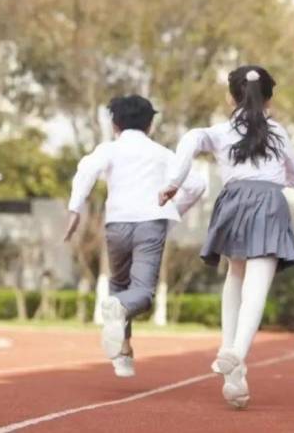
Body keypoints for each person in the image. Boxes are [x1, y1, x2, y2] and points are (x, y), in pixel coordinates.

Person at [159, 65, 294, 409]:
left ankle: (232, 369)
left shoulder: (222, 130)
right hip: (268, 203)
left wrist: (174, 181)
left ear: (230, 97)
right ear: (269, 99)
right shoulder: (278, 132)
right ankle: (236, 353)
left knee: (235, 275)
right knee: (257, 285)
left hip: (234, 202)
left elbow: (191, 139)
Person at [64, 95, 206, 378]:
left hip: (116, 225)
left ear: (114, 124)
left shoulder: (109, 149)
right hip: (150, 224)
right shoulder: (163, 154)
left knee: (119, 285)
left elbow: (86, 171)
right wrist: (173, 209)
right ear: (150, 124)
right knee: (142, 293)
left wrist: (75, 208)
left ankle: (123, 353)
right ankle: (121, 333)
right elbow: (197, 185)